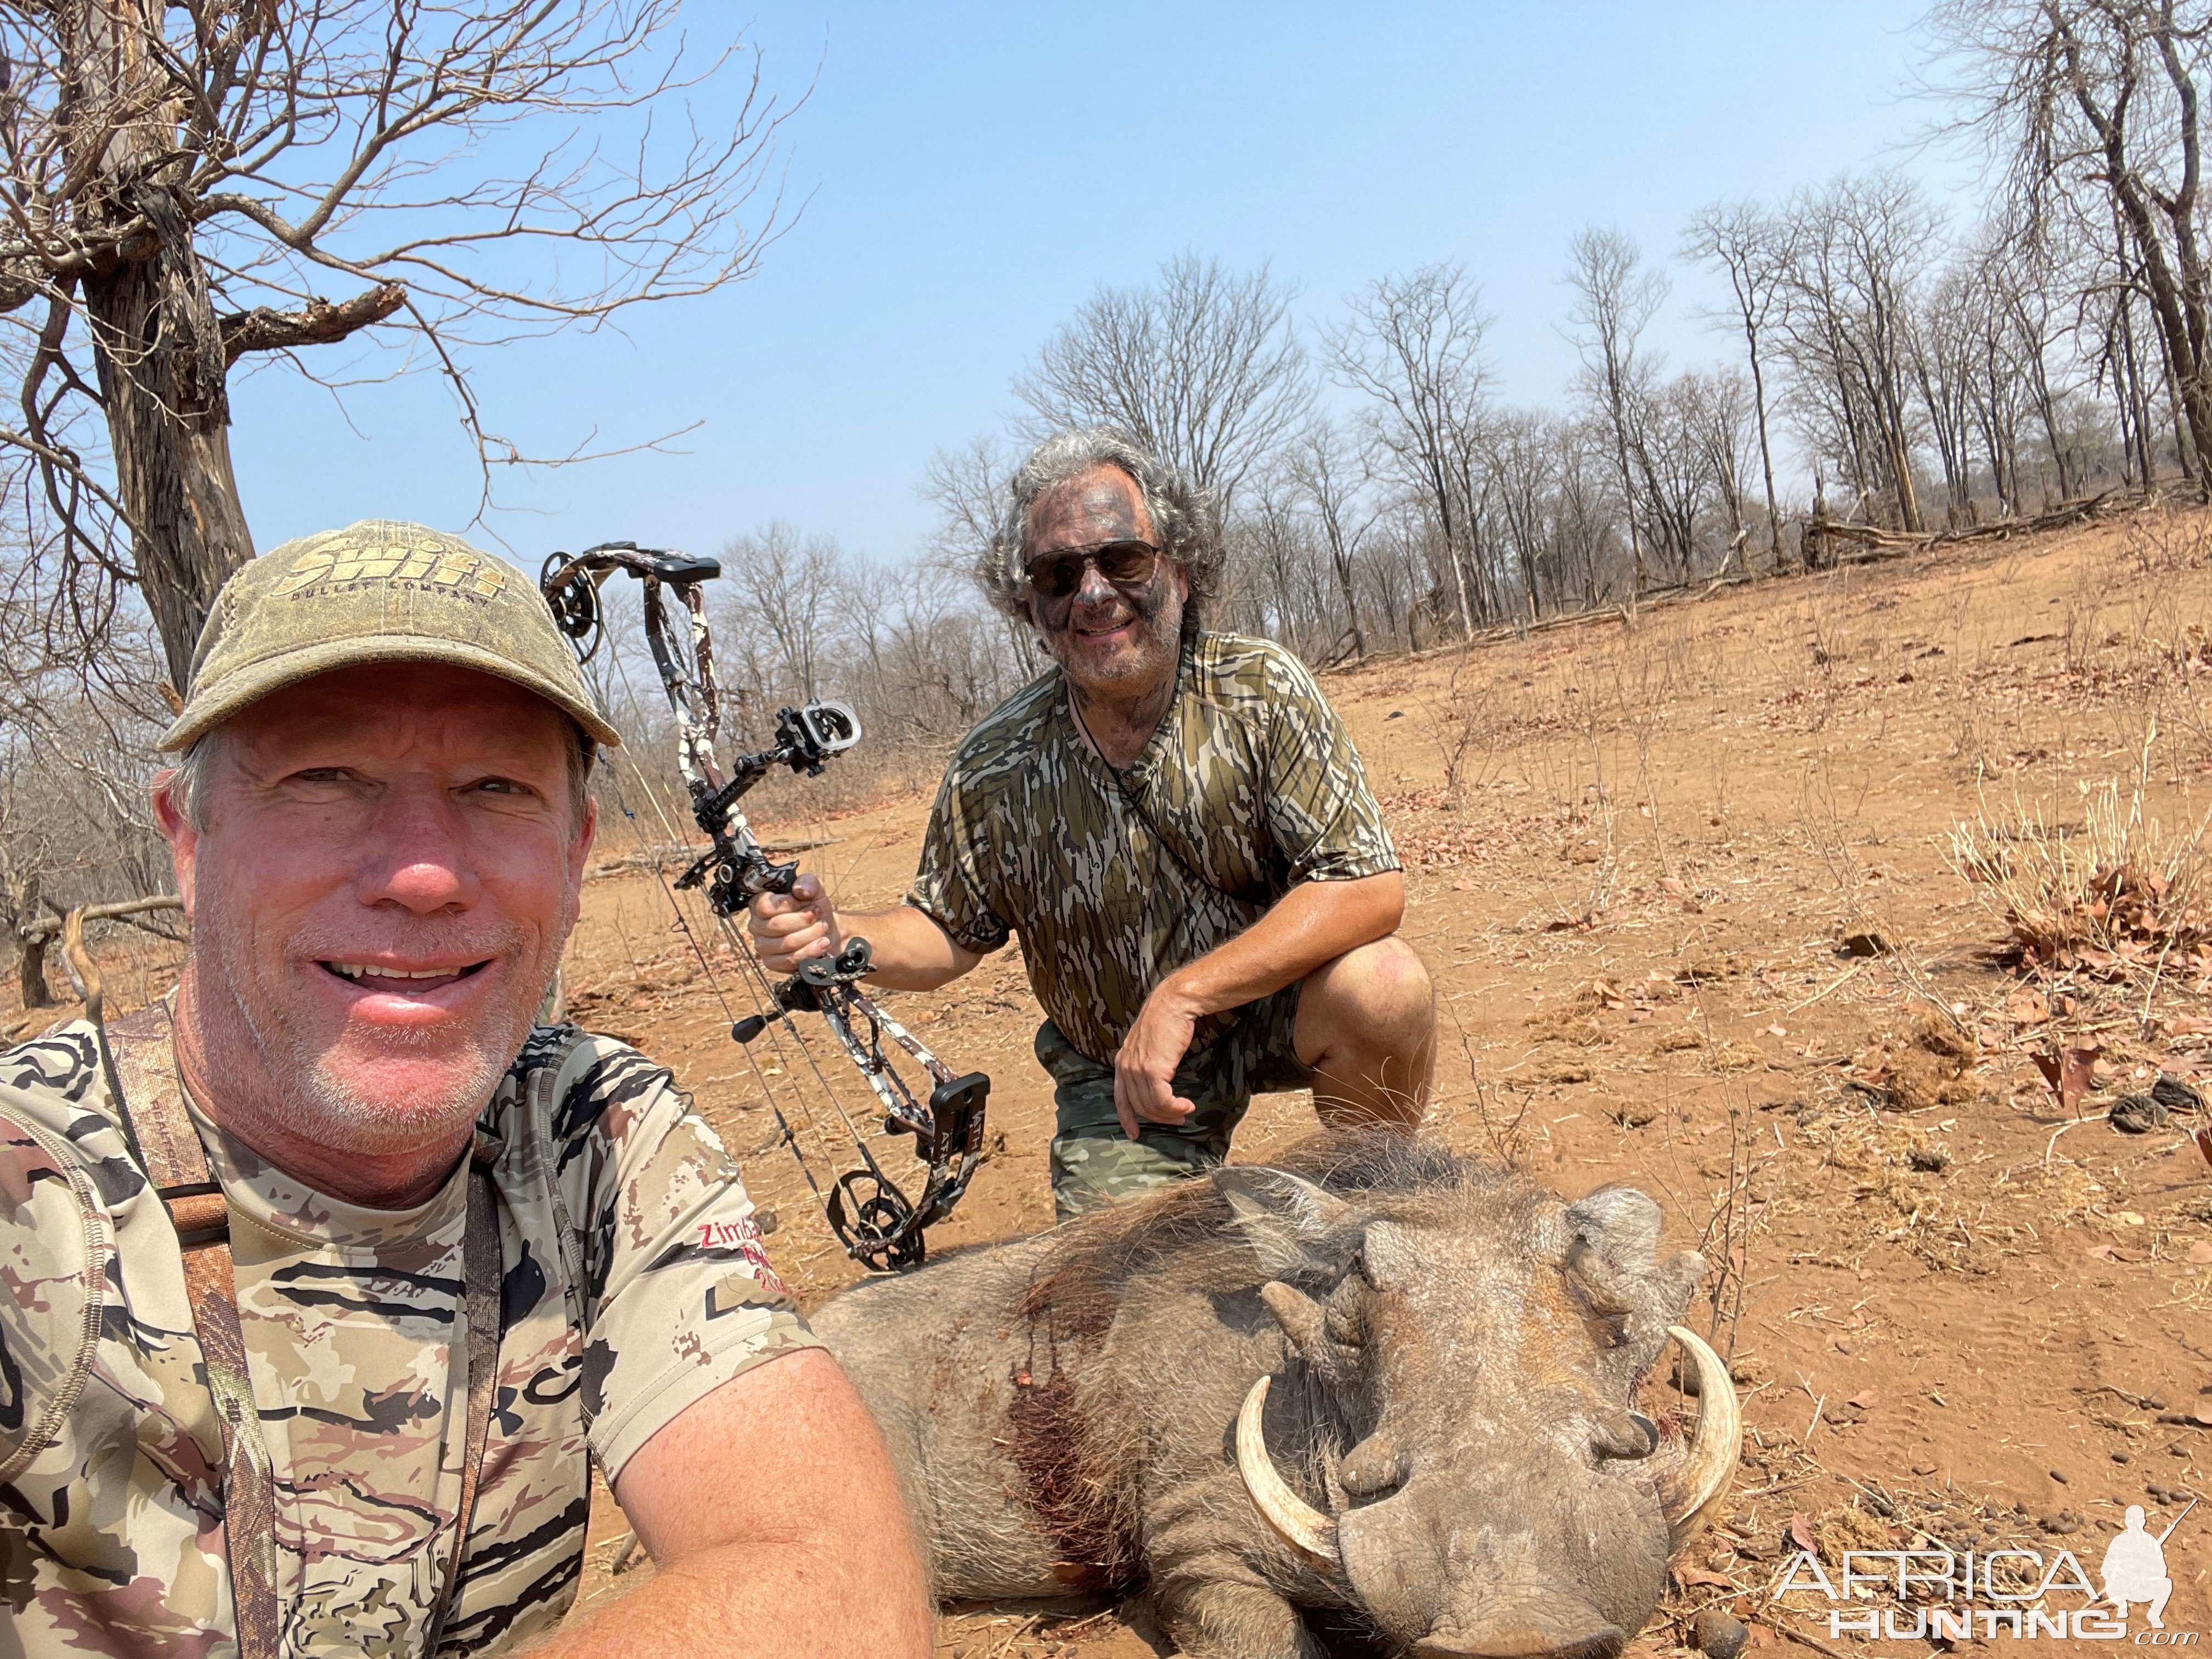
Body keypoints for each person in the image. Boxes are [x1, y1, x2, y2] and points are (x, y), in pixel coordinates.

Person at [0, 523, 930, 1657]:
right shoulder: (26, 1198)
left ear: (578, 854)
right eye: (325, 778)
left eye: (496, 787)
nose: (426, 871)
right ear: (188, 841)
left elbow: (841, 1589)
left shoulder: (589, 1127)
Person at [749, 429, 1434, 1218]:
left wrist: (1185, 997)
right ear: (1028, 604)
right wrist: (839, 939)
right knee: (1124, 1294)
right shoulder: (994, 764)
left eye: (1124, 560)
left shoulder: (1261, 689)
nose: (1094, 592)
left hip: (1273, 1006)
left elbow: (1367, 888)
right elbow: (947, 932)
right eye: (1058, 573)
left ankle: (1377, 1210)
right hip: (1119, 1073)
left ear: (1179, 567)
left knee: (1382, 986)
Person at [2101, 1505, 2174, 1628]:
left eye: (2138, 1520)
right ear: (2126, 1522)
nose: (2135, 1524)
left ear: (2144, 1522)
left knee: (2166, 1584)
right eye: (2131, 1520)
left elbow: (2162, 1570)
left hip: (2142, 1586)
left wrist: (2147, 1570)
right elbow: (2106, 1568)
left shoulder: (2151, 1542)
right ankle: (2122, 1607)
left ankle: (2154, 1615)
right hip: (2122, 1586)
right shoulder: (2119, 1541)